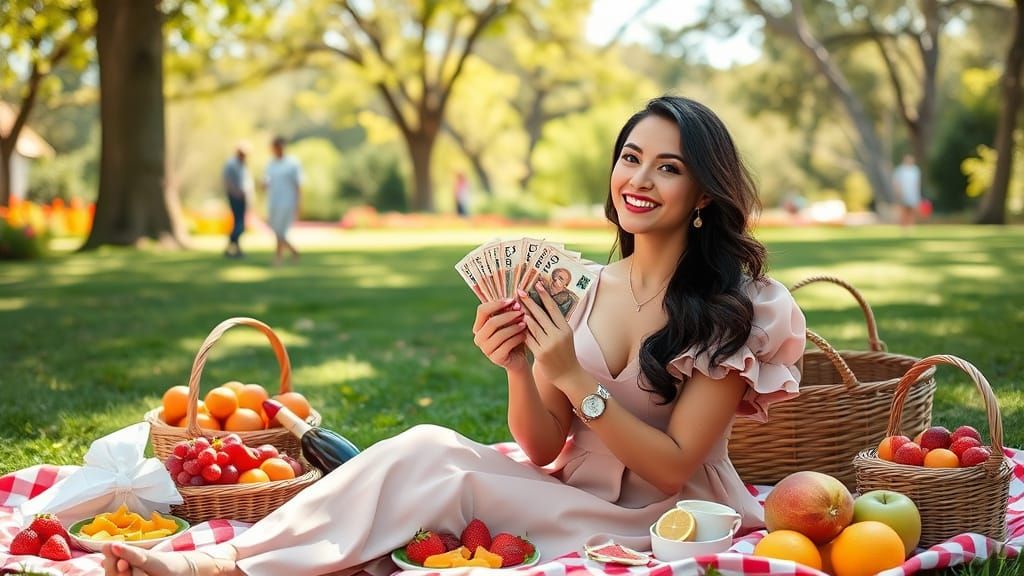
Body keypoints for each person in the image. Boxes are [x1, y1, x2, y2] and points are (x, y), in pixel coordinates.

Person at [101, 96, 805, 576]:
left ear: (704, 194)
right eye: (630, 157)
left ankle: (225, 565)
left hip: (657, 519)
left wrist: (578, 379)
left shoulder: (735, 309)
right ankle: (234, 559)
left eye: (668, 167)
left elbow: (674, 466)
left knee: (452, 473)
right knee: (427, 445)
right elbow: (541, 446)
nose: (638, 179)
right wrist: (522, 365)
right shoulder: (592, 289)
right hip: (565, 488)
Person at [265, 136, 302, 266]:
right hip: (273, 201)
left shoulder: (293, 163)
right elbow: (268, 182)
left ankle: (278, 258)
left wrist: (299, 204)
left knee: (281, 231)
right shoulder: (271, 164)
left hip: (287, 202)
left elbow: (298, 185)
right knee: (276, 230)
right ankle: (294, 251)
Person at [223, 142, 253, 258]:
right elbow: (227, 180)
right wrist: (235, 192)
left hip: (243, 197)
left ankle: (235, 249)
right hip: (235, 197)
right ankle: (231, 246)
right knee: (239, 224)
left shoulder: (243, 165)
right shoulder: (231, 164)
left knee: (239, 223)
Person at [892, 154, 921, 229]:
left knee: (912, 210)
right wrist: (898, 192)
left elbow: (917, 183)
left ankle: (911, 226)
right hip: (903, 193)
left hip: (913, 194)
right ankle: (903, 226)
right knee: (903, 210)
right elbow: (896, 182)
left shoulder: (915, 170)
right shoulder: (900, 170)